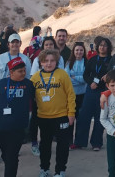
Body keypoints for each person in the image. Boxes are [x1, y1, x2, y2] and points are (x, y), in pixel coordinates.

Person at [0, 57, 35, 177]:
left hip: (18, 128)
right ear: (11, 72)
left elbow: (38, 101)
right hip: (1, 128)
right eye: (20, 71)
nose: (23, 73)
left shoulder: (28, 84)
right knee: (6, 155)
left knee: (12, 157)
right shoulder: (2, 84)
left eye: (24, 70)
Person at [31, 49, 76, 177]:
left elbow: (70, 95)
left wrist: (71, 113)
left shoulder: (62, 74)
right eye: (46, 61)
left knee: (62, 145)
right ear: (41, 62)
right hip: (43, 117)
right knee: (45, 145)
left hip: (61, 116)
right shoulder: (35, 77)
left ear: (56, 61)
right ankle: (44, 169)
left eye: (52, 61)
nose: (49, 64)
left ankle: (60, 170)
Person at [72, 38, 111, 150]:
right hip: (90, 90)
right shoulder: (92, 59)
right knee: (84, 116)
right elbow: (86, 74)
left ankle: (96, 143)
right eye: (101, 45)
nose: (102, 47)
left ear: (108, 47)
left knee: (100, 117)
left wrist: (107, 77)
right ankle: (79, 141)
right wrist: (90, 82)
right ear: (97, 47)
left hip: (103, 91)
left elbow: (113, 74)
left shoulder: (111, 60)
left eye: (105, 45)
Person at [29, 37, 65, 155]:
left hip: (55, 95)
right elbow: (33, 77)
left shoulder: (60, 59)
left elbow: (62, 76)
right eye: (46, 44)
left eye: (51, 44)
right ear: (42, 46)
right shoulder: (36, 60)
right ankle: (34, 143)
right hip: (39, 96)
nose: (49, 46)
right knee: (35, 120)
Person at [65, 42, 88, 147]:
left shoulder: (87, 62)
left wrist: (75, 77)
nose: (79, 52)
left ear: (84, 51)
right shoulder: (69, 63)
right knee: (70, 118)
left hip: (83, 95)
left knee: (81, 119)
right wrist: (79, 79)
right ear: (73, 51)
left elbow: (86, 78)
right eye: (77, 50)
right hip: (71, 95)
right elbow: (67, 79)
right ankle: (69, 141)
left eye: (81, 50)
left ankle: (78, 142)